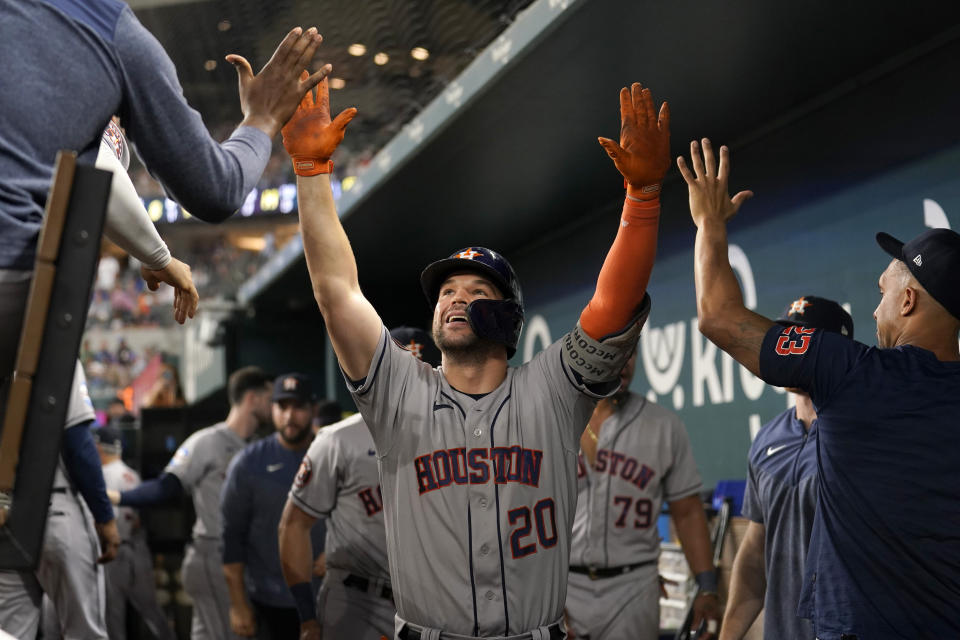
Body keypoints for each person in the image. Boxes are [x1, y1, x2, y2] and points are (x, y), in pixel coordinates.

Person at [283, 77, 669, 638]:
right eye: (447, 292)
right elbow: (337, 291)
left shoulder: (553, 391)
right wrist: (312, 176)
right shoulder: (398, 391)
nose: (456, 298)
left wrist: (643, 199)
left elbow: (612, 303)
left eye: (477, 292)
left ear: (510, 318)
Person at [680, 137, 960, 638]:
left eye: (883, 293)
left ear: (909, 301)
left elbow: (718, 316)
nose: (875, 310)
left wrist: (709, 224)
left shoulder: (855, 374)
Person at [278, 328, 441, 640]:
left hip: (431, 604)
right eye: (399, 373)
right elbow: (293, 525)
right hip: (358, 600)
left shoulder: (455, 436)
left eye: (419, 376)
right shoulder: (340, 439)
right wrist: (307, 616)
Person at [720, 297, 853, 640]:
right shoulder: (767, 438)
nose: (788, 350)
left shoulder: (861, 435)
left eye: (802, 340)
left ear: (836, 350)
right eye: (785, 339)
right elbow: (754, 550)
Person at [564, 351, 719, 640]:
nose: (625, 360)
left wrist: (707, 586)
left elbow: (687, 512)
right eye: (612, 348)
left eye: (632, 351)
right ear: (585, 351)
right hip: (561, 584)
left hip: (633, 589)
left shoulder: (664, 425)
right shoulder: (553, 418)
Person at [110, 366, 273, 640]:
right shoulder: (207, 441)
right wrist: (120, 497)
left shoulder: (259, 445)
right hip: (213, 553)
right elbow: (167, 487)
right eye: (269, 397)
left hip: (243, 556)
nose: (274, 405)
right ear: (252, 398)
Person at [0, 363, 118, 639]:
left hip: (5, 517)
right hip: (54, 509)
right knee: (84, 634)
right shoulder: (53, 345)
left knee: (10, 634)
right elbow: (77, 441)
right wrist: (105, 517)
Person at [220, 373, 325, 639]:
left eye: (298, 407)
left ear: (313, 409)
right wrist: (238, 604)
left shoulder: (331, 455)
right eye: (282, 406)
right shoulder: (247, 463)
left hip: (327, 599)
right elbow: (232, 538)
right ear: (272, 409)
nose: (289, 416)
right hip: (267, 602)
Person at [94, 425, 176, 640]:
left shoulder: (102, 475)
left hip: (116, 551)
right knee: (152, 611)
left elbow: (109, 519)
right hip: (138, 550)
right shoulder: (131, 474)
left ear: (99, 447)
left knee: (114, 618)